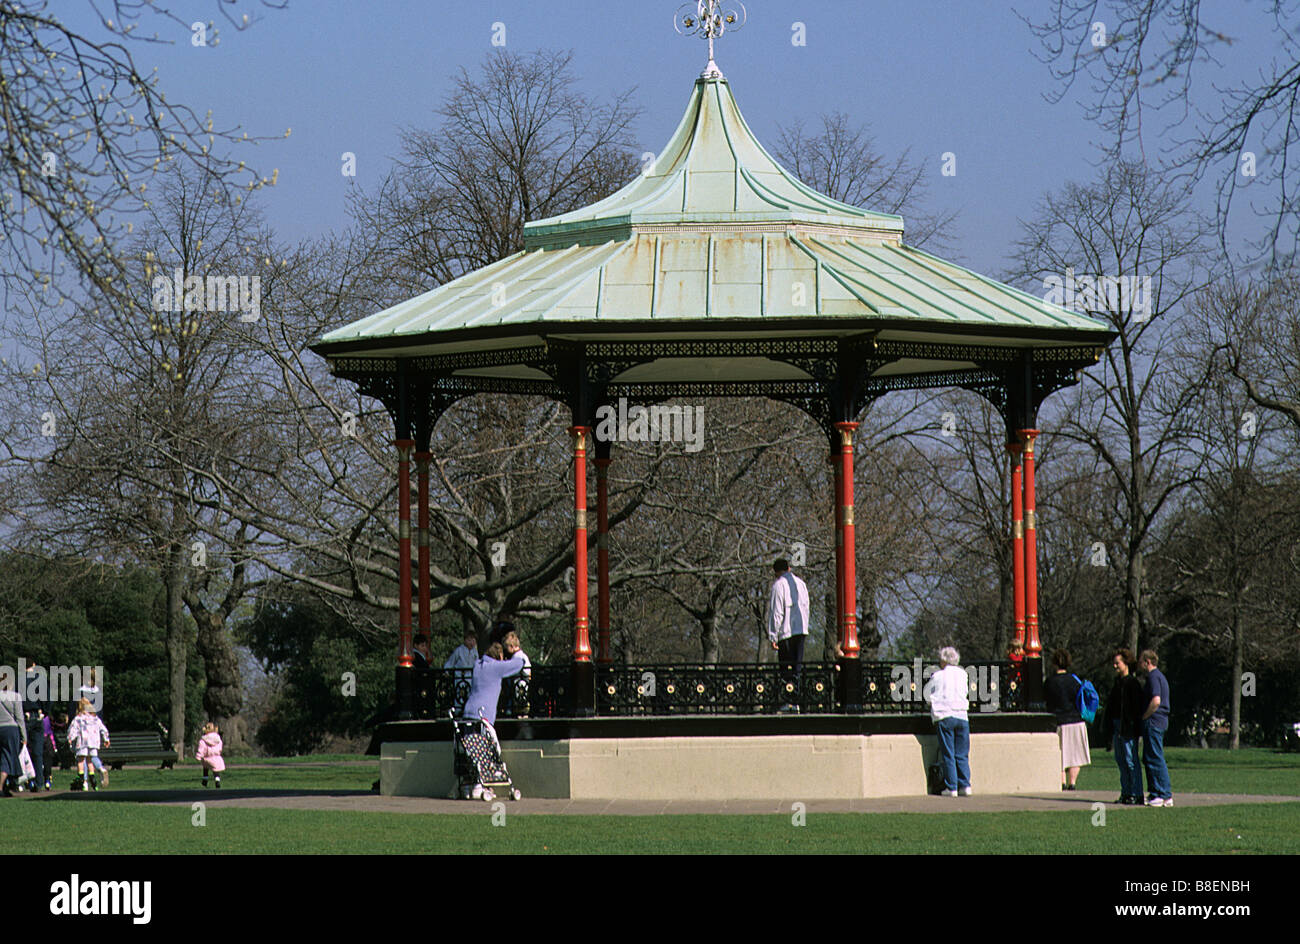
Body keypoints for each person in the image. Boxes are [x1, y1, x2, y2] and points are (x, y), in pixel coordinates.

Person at [925, 646, 971, 797]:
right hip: (962, 715)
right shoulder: (963, 674)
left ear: (944, 660)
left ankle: (952, 787)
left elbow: (929, 695)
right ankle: (965, 784)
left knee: (948, 753)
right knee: (962, 753)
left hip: (944, 715)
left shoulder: (937, 675)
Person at [1043, 649, 1091, 790]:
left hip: (1059, 721)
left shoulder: (1049, 682)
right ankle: (1072, 783)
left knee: (1060, 754)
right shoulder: (1074, 680)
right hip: (1076, 720)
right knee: (1075, 755)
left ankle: (1062, 782)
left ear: (1054, 663)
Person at [767, 559, 810, 712]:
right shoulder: (802, 584)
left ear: (776, 572)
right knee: (797, 667)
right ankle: (797, 700)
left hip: (786, 632)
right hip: (801, 630)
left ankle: (788, 701)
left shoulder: (779, 585)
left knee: (786, 668)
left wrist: (773, 635)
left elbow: (776, 612)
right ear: (789, 568)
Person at [1104, 648, 1145, 805]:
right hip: (1117, 725)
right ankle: (1126, 792)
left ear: (1126, 663)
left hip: (1128, 727)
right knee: (1121, 760)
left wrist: (1132, 726)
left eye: (1117, 663)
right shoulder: (1118, 683)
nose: (1115, 666)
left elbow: (1135, 709)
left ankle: (1136, 792)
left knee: (1130, 760)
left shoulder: (1132, 684)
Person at [461, 642, 527, 726]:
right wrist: (518, 653)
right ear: (500, 655)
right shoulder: (496, 667)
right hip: (482, 715)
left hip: (468, 711)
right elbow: (518, 664)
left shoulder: (477, 665)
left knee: (469, 739)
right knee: (484, 739)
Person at [1139, 649, 1173, 807]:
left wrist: (1145, 716)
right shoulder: (1160, 676)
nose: (1140, 665)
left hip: (1154, 721)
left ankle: (1162, 794)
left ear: (1147, 662)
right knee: (1151, 756)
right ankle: (1157, 793)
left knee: (1154, 757)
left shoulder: (1153, 677)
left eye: (1141, 661)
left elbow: (1156, 701)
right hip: (1160, 721)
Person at [67, 698, 110, 792]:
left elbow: (73, 729)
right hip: (93, 742)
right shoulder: (95, 718)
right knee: (90, 761)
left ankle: (83, 781)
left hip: (82, 742)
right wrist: (106, 739)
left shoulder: (78, 718)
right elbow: (103, 728)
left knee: (81, 761)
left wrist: (70, 738)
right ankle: (93, 781)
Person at [0, 675, 26, 798]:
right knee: (8, 758)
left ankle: (5, 787)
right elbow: (20, 718)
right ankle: (2, 786)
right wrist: (24, 736)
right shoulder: (15, 696)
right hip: (11, 729)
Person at [195, 722, 225, 788]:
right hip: (216, 757)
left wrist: (198, 756)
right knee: (216, 770)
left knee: (206, 768)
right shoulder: (218, 739)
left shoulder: (203, 740)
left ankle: (205, 780)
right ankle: (217, 780)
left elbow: (201, 749)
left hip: (207, 758)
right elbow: (220, 748)